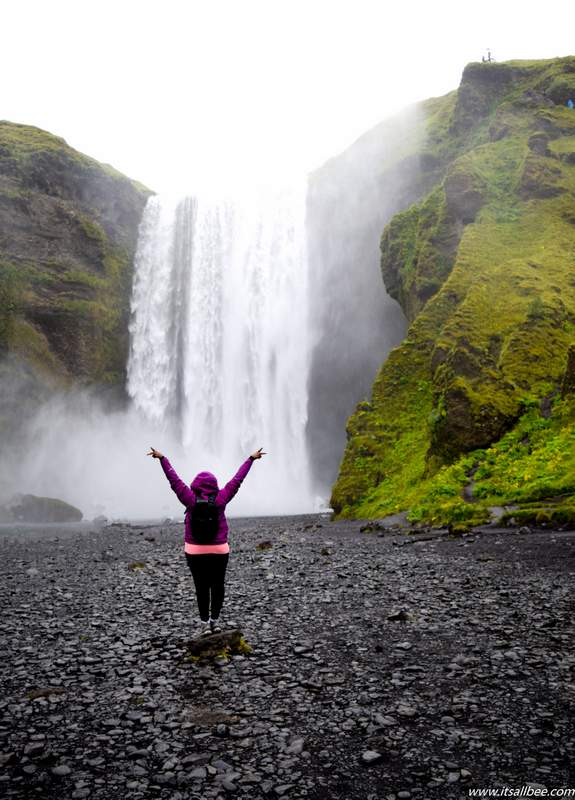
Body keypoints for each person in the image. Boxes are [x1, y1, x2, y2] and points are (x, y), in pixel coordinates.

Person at [147, 446, 266, 637]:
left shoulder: (189, 499)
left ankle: (203, 624)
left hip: (194, 551)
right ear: (214, 484)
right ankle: (215, 622)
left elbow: (174, 480)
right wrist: (251, 459)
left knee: (201, 587)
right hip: (219, 549)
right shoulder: (220, 498)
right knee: (218, 585)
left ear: (195, 484)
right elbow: (237, 480)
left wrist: (163, 459)